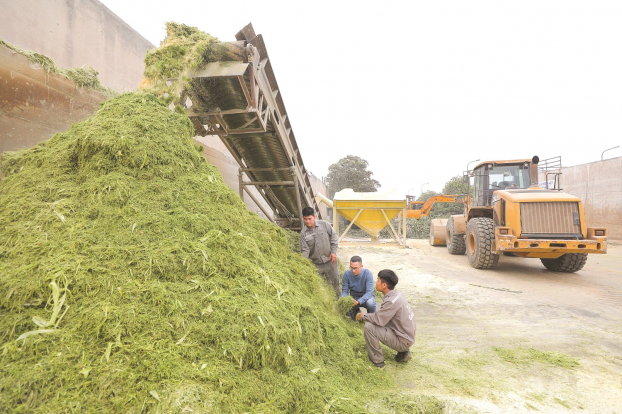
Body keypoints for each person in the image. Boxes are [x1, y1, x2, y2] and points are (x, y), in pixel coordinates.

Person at [357, 269, 416, 368]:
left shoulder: (391, 302)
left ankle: (377, 361)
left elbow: (378, 320)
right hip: (407, 335)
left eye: (378, 280)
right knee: (385, 320)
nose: (376, 282)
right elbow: (382, 316)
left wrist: (362, 316)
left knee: (369, 327)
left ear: (384, 285)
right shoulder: (397, 295)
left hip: (403, 340)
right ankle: (404, 353)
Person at [300, 206, 340, 296]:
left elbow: (334, 237)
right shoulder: (303, 233)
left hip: (330, 261)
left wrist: (333, 252)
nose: (308, 221)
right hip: (316, 265)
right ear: (303, 218)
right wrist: (303, 264)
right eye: (305, 219)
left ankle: (338, 306)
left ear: (314, 217)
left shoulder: (324, 225)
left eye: (310, 219)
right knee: (319, 289)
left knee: (335, 286)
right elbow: (305, 251)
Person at [341, 256, 376, 320]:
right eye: (351, 267)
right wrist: (343, 298)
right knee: (343, 307)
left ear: (361, 266)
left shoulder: (367, 274)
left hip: (366, 298)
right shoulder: (346, 274)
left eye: (355, 268)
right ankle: (355, 314)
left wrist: (359, 301)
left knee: (370, 303)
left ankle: (372, 319)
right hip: (354, 298)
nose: (353, 270)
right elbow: (345, 291)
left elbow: (369, 292)